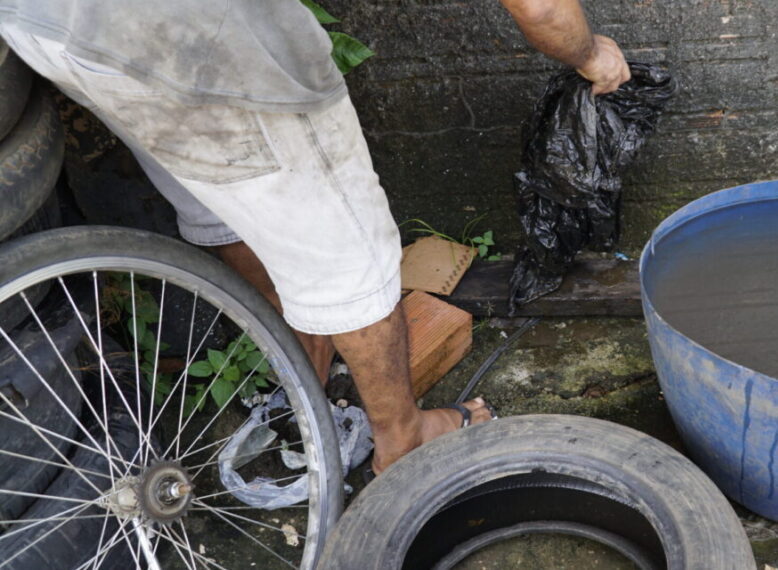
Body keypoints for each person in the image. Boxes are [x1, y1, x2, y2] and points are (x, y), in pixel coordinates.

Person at [0, 0, 630, 475]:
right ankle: (401, 436)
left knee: (231, 192)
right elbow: (543, 6)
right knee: (351, 254)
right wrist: (589, 54)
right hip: (203, 44)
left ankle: (306, 363)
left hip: (59, 28)